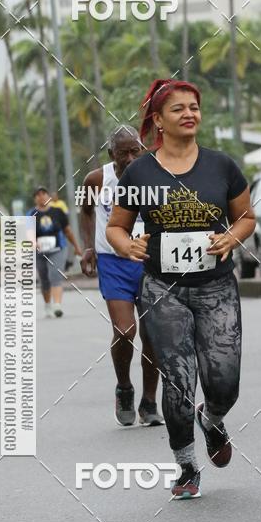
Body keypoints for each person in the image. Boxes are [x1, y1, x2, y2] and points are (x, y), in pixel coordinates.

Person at [107, 79, 255, 499]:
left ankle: (213, 418)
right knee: (178, 379)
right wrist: (127, 245)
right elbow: (116, 226)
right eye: (179, 109)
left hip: (216, 287)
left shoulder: (221, 166)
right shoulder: (140, 171)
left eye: (194, 107)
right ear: (158, 120)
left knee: (225, 381)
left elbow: (246, 217)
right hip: (162, 289)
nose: (190, 114)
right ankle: (187, 465)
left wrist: (232, 237)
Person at [80, 125, 163, 427]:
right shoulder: (96, 179)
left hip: (149, 260)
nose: (130, 158)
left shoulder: (154, 174)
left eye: (135, 151)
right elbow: (86, 210)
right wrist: (89, 246)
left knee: (153, 333)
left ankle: (150, 401)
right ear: (110, 154)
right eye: (123, 152)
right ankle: (125, 388)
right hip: (113, 261)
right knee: (126, 331)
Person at [28, 187, 82, 318]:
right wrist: (34, 243)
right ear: (35, 198)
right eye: (38, 195)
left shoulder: (58, 212)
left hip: (57, 249)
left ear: (48, 196)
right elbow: (29, 233)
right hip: (39, 251)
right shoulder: (31, 214)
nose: (41, 197)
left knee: (55, 275)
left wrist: (76, 247)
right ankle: (47, 305)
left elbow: (67, 231)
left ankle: (57, 305)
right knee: (44, 280)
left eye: (44, 194)